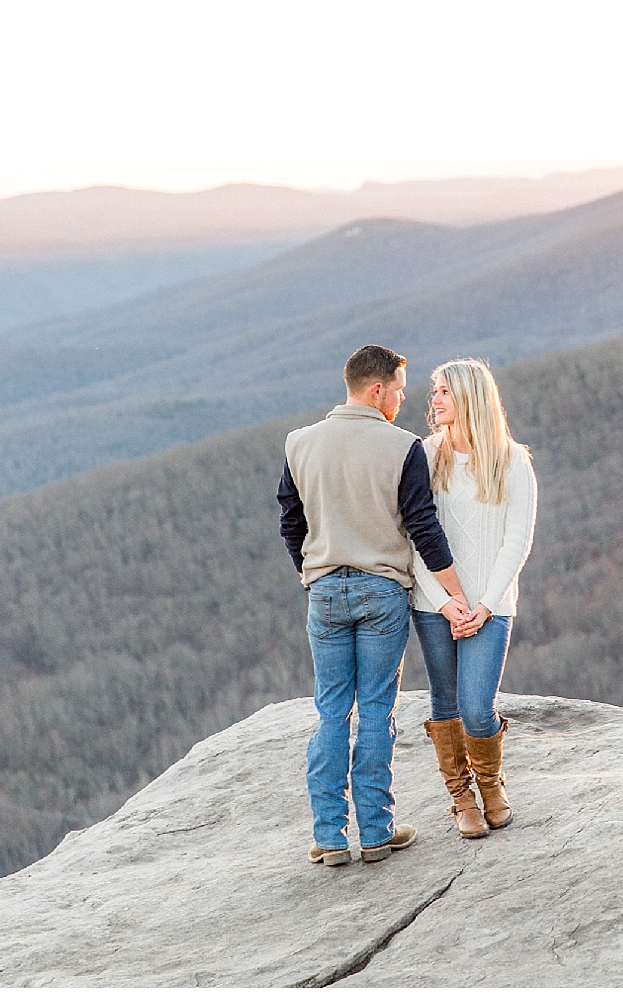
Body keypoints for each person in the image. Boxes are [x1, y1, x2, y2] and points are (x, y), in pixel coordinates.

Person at [277, 344, 475, 866]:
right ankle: (377, 830)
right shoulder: (402, 447)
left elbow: (290, 522)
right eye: (401, 392)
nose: (403, 402)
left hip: (324, 591)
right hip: (382, 592)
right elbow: (424, 530)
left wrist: (313, 571)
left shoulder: (299, 443)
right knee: (376, 711)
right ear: (377, 390)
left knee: (330, 711)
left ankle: (329, 836)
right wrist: (458, 595)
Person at [409, 358, 537, 839]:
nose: (434, 400)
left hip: (492, 604)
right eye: (434, 391)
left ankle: (490, 785)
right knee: (446, 703)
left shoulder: (511, 460)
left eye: (443, 391)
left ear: (469, 398)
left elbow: (517, 541)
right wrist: (445, 602)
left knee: (477, 707)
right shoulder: (425, 454)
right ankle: (461, 798)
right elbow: (413, 537)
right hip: (433, 605)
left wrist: (483, 604)